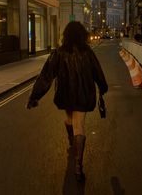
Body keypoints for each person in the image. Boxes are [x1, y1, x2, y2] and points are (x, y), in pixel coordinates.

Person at [26, 21, 108, 182]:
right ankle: (78, 166)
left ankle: (72, 143)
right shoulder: (87, 52)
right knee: (79, 126)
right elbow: (97, 71)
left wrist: (34, 96)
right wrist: (102, 87)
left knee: (69, 118)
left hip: (66, 94)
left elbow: (46, 76)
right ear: (82, 35)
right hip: (83, 94)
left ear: (66, 35)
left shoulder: (59, 52)